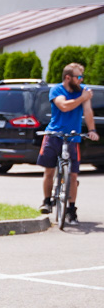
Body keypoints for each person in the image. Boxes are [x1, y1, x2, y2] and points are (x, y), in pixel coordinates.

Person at [37, 62, 99, 225]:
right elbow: (63, 106)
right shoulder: (57, 90)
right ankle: (47, 201)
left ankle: (71, 209)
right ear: (68, 78)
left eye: (82, 77)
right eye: (78, 77)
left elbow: (87, 111)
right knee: (49, 171)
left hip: (73, 137)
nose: (81, 80)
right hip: (54, 135)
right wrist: (82, 98)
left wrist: (92, 130)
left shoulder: (83, 91)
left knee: (72, 175)